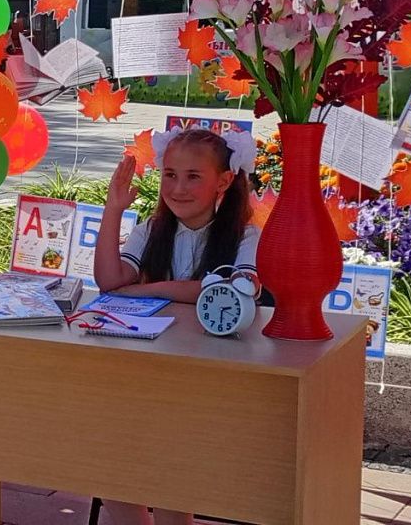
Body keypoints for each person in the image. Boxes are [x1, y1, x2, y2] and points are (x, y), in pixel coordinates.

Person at [93, 126, 259, 525]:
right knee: (109, 456)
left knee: (174, 466)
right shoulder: (150, 230)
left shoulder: (245, 237)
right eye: (170, 175)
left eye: (193, 177)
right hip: (147, 371)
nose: (178, 188)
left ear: (224, 181)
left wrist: (146, 290)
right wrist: (113, 209)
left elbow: (226, 292)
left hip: (208, 379)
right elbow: (109, 280)